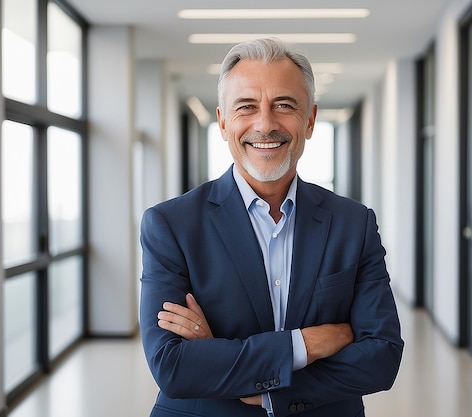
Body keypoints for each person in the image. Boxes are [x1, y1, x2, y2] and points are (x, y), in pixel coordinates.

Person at [139, 37, 404, 417]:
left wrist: (246, 373)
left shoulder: (353, 223)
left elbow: (381, 356)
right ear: (223, 121)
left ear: (309, 120)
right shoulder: (171, 225)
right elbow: (173, 365)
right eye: (246, 107)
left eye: (284, 105)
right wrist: (309, 343)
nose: (265, 124)